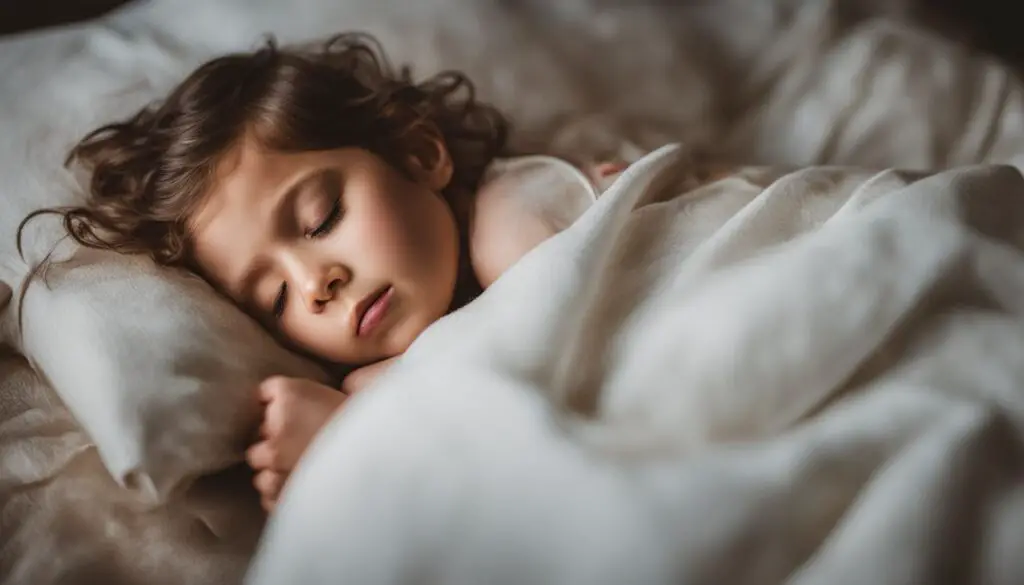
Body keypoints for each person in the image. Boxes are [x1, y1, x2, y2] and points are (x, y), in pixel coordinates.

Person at [19, 33, 628, 511]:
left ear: (418, 153)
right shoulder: (372, 382)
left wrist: (353, 436)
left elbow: (539, 365)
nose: (316, 284)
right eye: (276, 298)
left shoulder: (510, 215)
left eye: (320, 218)